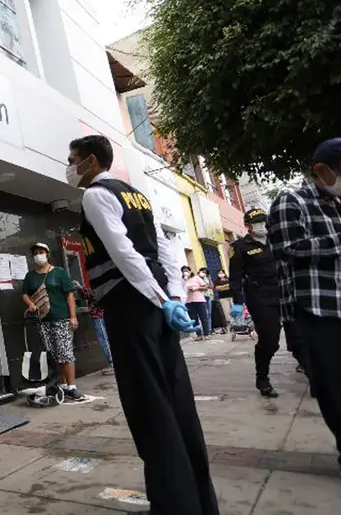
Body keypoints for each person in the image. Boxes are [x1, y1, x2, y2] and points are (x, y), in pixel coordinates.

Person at [68, 135, 218, 515]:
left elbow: (124, 254)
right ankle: (200, 502)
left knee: (150, 410)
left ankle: (174, 505)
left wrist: (159, 299)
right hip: (156, 310)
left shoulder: (95, 196)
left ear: (89, 162)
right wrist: (173, 299)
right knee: (178, 405)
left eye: (72, 160)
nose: (69, 167)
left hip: (131, 310)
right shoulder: (136, 195)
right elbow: (165, 252)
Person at [268, 137, 341, 471]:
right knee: (333, 387)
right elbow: (291, 248)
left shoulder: (338, 204)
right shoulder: (291, 201)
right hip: (316, 308)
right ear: (321, 171)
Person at [229, 208, 289, 398]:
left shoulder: (277, 241)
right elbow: (235, 277)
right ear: (247, 226)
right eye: (257, 222)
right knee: (270, 340)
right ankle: (262, 378)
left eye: (264, 221)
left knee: (301, 337)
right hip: (261, 298)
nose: (262, 225)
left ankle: (313, 375)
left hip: (285, 294)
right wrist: (238, 302)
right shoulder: (240, 246)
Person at [22, 243, 83, 400]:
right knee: (52, 353)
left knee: (65, 352)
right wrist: (31, 304)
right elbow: (25, 294)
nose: (38, 255)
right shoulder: (31, 276)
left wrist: (73, 316)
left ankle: (72, 386)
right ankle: (60, 384)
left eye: (41, 252)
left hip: (61, 318)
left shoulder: (59, 272)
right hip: (43, 321)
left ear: (47, 254)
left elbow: (69, 295)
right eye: (35, 253)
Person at [76, 280, 114, 376]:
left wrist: (80, 287)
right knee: (105, 339)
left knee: (104, 339)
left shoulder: (99, 284)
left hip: (100, 315)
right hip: (101, 315)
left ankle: (113, 363)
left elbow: (92, 295)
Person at [183, 266, 211, 340]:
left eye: (186, 271)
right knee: (194, 319)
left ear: (190, 271)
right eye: (183, 271)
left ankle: (206, 334)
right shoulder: (182, 280)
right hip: (188, 302)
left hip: (199, 300)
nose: (185, 272)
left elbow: (205, 287)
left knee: (204, 318)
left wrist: (197, 288)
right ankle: (199, 335)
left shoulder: (196, 278)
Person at [213, 268, 232, 334]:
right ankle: (230, 324)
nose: (221, 274)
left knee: (234, 309)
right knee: (226, 311)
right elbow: (217, 288)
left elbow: (231, 286)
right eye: (219, 273)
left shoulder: (229, 279)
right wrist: (226, 286)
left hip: (232, 296)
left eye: (222, 272)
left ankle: (237, 323)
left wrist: (222, 287)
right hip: (223, 298)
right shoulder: (216, 281)